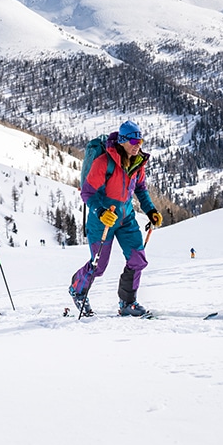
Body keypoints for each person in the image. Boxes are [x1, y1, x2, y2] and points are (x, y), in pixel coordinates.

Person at [69, 120, 163, 317]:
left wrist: (151, 211)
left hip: (125, 218)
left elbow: (141, 189)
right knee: (99, 266)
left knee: (137, 259)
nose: (138, 145)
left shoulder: (138, 163)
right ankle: (77, 289)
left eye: (140, 141)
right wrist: (101, 212)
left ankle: (127, 303)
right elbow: (87, 193)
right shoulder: (104, 162)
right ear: (122, 141)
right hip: (102, 220)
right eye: (134, 141)